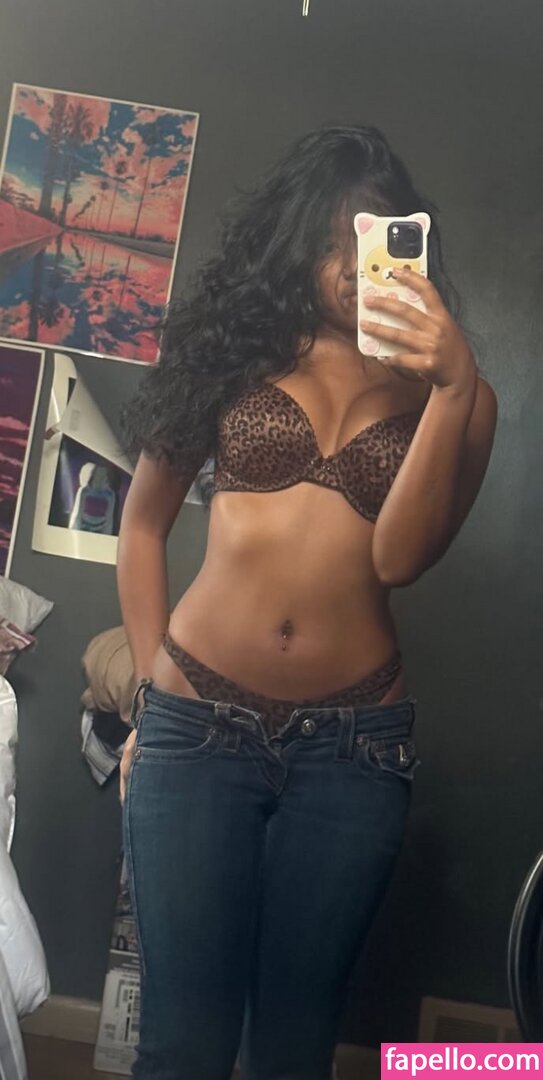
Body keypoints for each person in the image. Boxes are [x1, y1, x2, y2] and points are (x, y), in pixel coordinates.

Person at [117, 125, 497, 1080]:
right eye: (327, 243)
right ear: (293, 242)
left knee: (291, 1050)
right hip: (195, 727)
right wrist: (150, 703)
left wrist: (452, 388)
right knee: (182, 1045)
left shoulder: (455, 398)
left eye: (365, 242)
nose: (345, 269)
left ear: (404, 244)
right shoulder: (233, 354)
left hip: (353, 751)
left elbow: (399, 559)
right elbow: (142, 527)